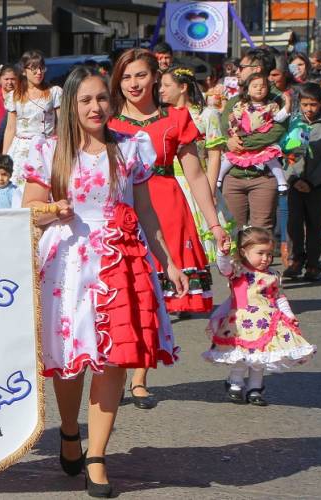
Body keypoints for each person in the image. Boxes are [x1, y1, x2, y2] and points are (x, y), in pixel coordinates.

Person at [22, 66, 187, 497]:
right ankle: (70, 431)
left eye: (101, 99)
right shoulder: (49, 150)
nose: (95, 107)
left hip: (121, 260)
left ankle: (97, 455)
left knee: (114, 358)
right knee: (72, 358)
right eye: (86, 100)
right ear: (71, 106)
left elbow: (147, 210)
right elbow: (29, 209)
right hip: (67, 264)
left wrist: (167, 260)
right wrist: (51, 210)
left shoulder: (132, 147)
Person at [107, 49, 229, 408]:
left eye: (140, 75)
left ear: (155, 78)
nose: (133, 83)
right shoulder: (108, 122)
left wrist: (215, 224)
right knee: (122, 294)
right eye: (126, 77)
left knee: (152, 294)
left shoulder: (176, 119)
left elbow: (195, 176)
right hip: (121, 210)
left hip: (167, 209)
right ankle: (116, 369)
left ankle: (140, 374)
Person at [203, 227, 315, 406]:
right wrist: (222, 252)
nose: (266, 258)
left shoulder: (273, 276)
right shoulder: (238, 271)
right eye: (260, 253)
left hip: (266, 323)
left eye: (269, 254)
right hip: (241, 323)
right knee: (241, 356)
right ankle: (235, 382)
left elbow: (279, 297)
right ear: (243, 252)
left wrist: (289, 315)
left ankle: (255, 388)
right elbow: (223, 267)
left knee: (259, 358)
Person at [158, 67, 235, 263]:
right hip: (170, 183)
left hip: (198, 180)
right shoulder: (161, 116)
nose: (161, 90)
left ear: (183, 87)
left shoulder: (207, 114)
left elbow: (214, 156)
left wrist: (209, 191)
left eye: (166, 85)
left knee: (215, 248)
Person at [220, 48, 289, 230]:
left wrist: (241, 143)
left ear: (256, 69)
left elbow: (275, 132)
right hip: (234, 176)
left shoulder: (278, 101)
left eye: (242, 67)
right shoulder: (235, 100)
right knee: (234, 229)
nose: (237, 71)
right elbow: (222, 128)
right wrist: (228, 140)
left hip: (264, 175)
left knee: (261, 230)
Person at [283, 83, 321, 281]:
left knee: (315, 225)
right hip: (294, 182)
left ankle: (314, 263)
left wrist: (312, 181)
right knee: (294, 224)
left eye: (313, 104)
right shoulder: (293, 121)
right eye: (305, 104)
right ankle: (296, 259)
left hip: (317, 184)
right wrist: (295, 178)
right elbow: (286, 152)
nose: (309, 109)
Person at [219, 72, 292, 193]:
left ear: (267, 89)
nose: (259, 89)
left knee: (270, 157)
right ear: (247, 90)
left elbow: (279, 118)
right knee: (230, 158)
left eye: (263, 86)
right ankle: (219, 177)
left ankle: (281, 181)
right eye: (255, 86)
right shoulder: (241, 104)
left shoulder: (271, 105)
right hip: (243, 133)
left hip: (261, 133)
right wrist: (233, 120)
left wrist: (288, 105)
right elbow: (235, 119)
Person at [3, 50, 62, 190]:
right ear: (24, 71)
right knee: (18, 189)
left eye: (41, 68)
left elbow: (61, 124)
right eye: (34, 69)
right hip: (21, 149)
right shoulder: (14, 95)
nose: (39, 72)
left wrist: (61, 148)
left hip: (46, 146)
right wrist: (4, 157)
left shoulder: (54, 92)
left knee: (45, 188)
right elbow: (10, 128)